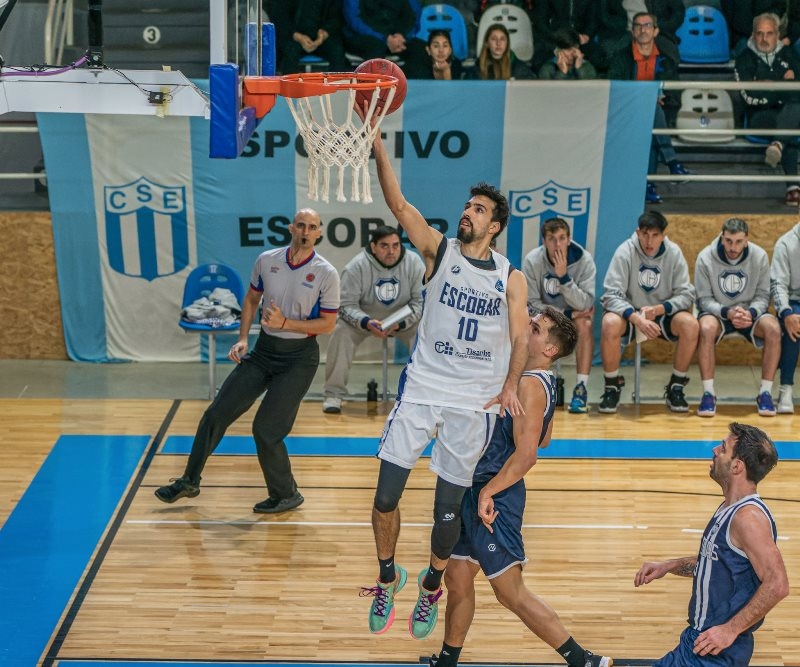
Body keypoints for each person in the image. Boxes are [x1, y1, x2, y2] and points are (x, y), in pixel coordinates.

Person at [360, 106, 530, 640]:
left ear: (495, 225)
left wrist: (508, 386)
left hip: (475, 402)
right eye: (467, 205)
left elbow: (522, 337)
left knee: (444, 516)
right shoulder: (441, 251)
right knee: (385, 495)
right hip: (424, 389)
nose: (468, 212)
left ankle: (432, 583)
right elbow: (398, 204)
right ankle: (389, 576)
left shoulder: (511, 276)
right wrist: (378, 146)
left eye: (479, 209)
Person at [429, 307, 613, 667]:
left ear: (550, 350)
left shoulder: (530, 385)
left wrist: (488, 491)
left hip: (495, 494)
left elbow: (529, 455)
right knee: (458, 577)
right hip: (476, 485)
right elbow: (545, 437)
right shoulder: (538, 380)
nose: (526, 329)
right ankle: (448, 660)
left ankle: (582, 659)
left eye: (536, 329)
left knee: (509, 592)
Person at [154, 209, 340, 513]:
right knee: (216, 413)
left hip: (299, 359)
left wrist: (286, 324)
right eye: (301, 225)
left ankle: (286, 494)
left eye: (313, 227)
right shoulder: (267, 260)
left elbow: (328, 325)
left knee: (266, 429)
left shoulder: (326, 273)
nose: (306, 231)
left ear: (320, 232)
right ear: (292, 228)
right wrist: (242, 338)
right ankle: (189, 480)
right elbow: (252, 299)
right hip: (264, 351)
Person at [634, 422, 789, 667]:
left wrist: (729, 630)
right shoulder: (730, 507)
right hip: (699, 644)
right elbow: (717, 565)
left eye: (724, 448)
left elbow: (778, 584)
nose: (715, 450)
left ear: (737, 466)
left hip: (715, 650)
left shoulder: (747, 518)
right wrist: (669, 566)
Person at [599, 210, 698, 413]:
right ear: (637, 232)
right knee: (609, 322)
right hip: (630, 313)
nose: (649, 241)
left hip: (661, 313)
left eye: (655, 235)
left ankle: (676, 387)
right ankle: (611, 387)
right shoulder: (625, 251)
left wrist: (661, 308)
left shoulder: (673, 252)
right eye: (645, 234)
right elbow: (610, 296)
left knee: (690, 324)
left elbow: (687, 294)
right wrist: (637, 318)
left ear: (663, 235)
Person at [322, 225, 424, 413]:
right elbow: (345, 306)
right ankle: (333, 394)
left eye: (395, 245)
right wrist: (366, 322)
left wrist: (399, 323)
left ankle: (423, 397)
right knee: (341, 332)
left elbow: (420, 303)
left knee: (423, 333)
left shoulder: (414, 263)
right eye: (384, 246)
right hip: (365, 319)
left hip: (402, 320)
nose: (391, 251)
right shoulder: (356, 266)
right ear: (373, 246)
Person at [694, 218, 781, 418]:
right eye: (729, 241)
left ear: (746, 240)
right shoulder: (705, 257)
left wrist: (750, 313)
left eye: (738, 241)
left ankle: (765, 393)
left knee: (774, 329)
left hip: (750, 312)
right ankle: (708, 394)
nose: (733, 247)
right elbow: (703, 299)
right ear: (721, 237)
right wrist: (727, 312)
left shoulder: (759, 256)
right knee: (705, 328)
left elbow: (762, 295)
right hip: (719, 313)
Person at [607, 11, 691, 205]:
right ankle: (671, 163)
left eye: (647, 26)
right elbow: (616, 89)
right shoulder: (621, 57)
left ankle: (649, 186)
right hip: (626, 112)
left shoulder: (667, 58)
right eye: (638, 26)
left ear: (656, 31)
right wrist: (642, 99)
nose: (642, 30)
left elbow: (674, 94)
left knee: (652, 120)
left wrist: (662, 99)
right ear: (633, 31)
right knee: (651, 111)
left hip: (656, 115)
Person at [522, 217, 596, 413]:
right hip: (546, 318)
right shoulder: (532, 260)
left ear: (569, 239)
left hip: (574, 321)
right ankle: (528, 385)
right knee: (525, 322)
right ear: (544, 241)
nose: (557, 244)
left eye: (562, 238)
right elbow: (530, 303)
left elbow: (586, 303)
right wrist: (569, 313)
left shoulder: (584, 261)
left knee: (586, 324)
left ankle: (581, 388)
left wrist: (563, 277)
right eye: (551, 238)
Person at [734, 12, 800, 207]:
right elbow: (748, 97)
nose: (764, 39)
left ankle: (778, 145)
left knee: (793, 113)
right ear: (753, 35)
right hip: (759, 116)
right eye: (760, 34)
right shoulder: (744, 59)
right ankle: (793, 187)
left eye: (769, 33)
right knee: (793, 120)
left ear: (777, 34)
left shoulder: (789, 54)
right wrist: (782, 85)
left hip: (790, 111)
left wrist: (766, 84)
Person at [342, 0, 428, 79]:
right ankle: (377, 91)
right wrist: (385, 38)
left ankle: (416, 90)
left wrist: (401, 35)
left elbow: (412, 17)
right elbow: (354, 20)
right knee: (376, 47)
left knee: (421, 48)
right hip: (362, 37)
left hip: (398, 38)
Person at [266, 0, 348, 74]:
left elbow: (336, 17)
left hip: (321, 37)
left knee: (337, 50)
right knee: (290, 52)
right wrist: (296, 35)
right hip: (293, 36)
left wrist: (324, 33)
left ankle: (338, 87)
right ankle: (290, 88)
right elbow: (279, 17)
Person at [770, 220, 800, 413]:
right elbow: (778, 284)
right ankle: (786, 387)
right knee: (794, 323)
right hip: (793, 301)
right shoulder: (786, 243)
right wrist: (786, 312)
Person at [533, 0, 602, 73]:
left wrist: (587, 35)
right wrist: (558, 39)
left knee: (598, 60)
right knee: (540, 62)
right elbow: (541, 23)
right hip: (555, 39)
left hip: (580, 39)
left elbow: (593, 20)